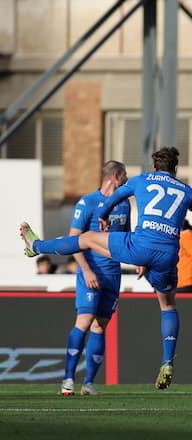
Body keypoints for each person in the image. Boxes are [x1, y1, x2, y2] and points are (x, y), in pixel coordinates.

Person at [20, 146, 192, 390]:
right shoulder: (187, 191)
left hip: (138, 247)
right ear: (175, 169)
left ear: (154, 167)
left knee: (87, 238)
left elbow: (115, 197)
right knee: (168, 305)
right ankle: (167, 361)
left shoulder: (142, 180)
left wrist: (104, 213)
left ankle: (36, 245)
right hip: (166, 255)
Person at [60, 160, 130, 396]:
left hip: (113, 274)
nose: (127, 180)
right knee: (85, 319)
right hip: (91, 272)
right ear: (114, 176)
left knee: (101, 325)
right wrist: (87, 270)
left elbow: (127, 238)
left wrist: (141, 261)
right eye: (124, 176)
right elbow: (73, 240)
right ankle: (68, 379)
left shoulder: (124, 205)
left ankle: (88, 383)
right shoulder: (87, 202)